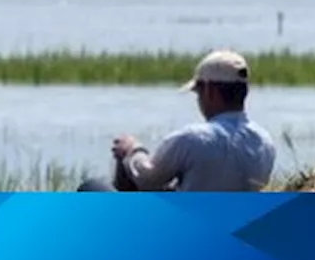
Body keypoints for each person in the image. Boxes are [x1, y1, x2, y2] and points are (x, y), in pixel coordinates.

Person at [77, 49, 277, 192]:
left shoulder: (193, 139)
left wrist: (132, 151)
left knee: (92, 187)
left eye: (198, 93)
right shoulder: (265, 143)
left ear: (210, 90)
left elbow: (147, 178)